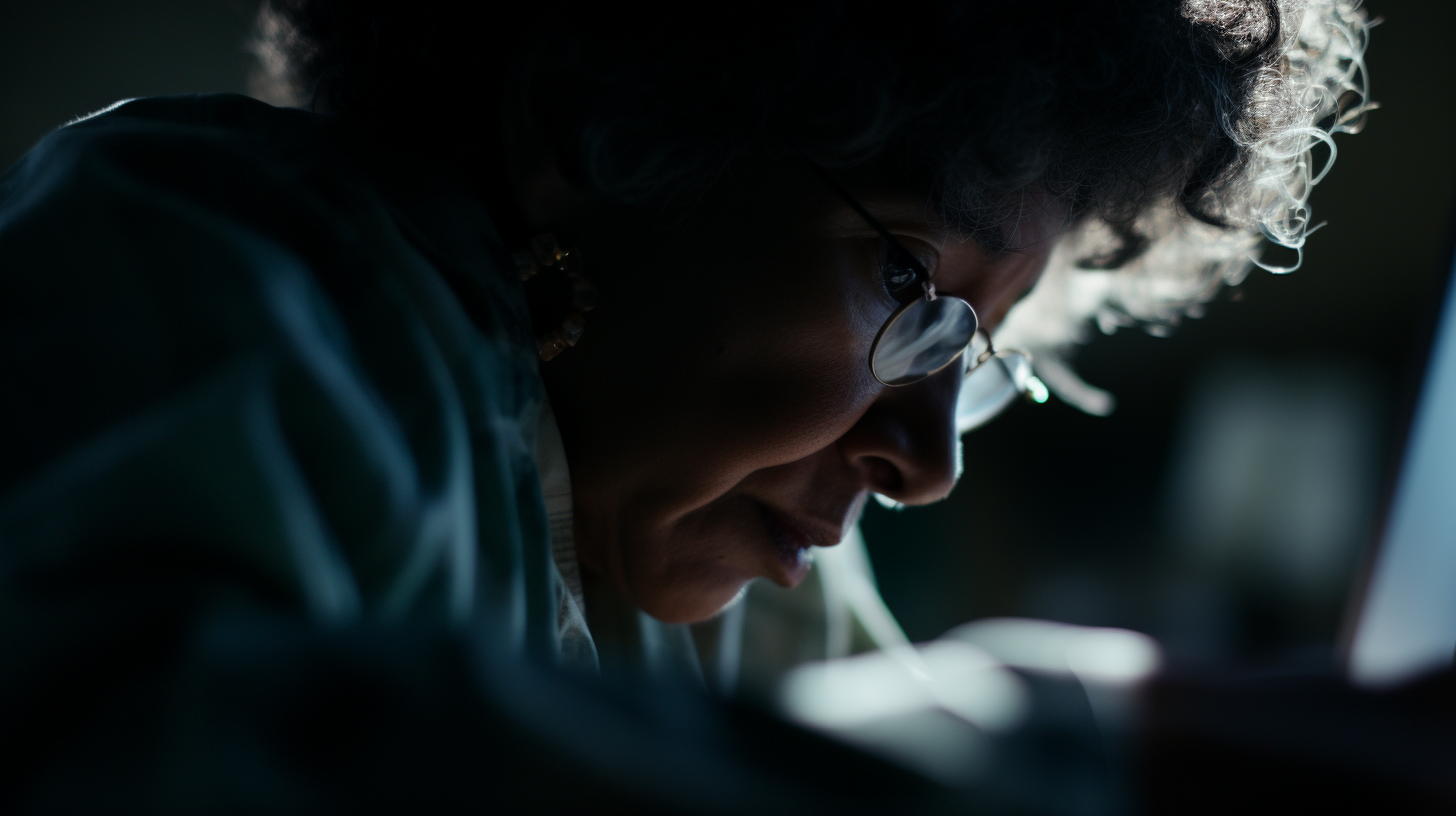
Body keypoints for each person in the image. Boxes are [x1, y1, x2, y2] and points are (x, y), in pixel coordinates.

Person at [0, 1, 1400, 812]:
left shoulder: (763, 595)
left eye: (971, 355)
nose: (924, 465)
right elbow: (133, 747)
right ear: (592, 134)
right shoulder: (221, 251)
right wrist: (1070, 729)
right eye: (908, 279)